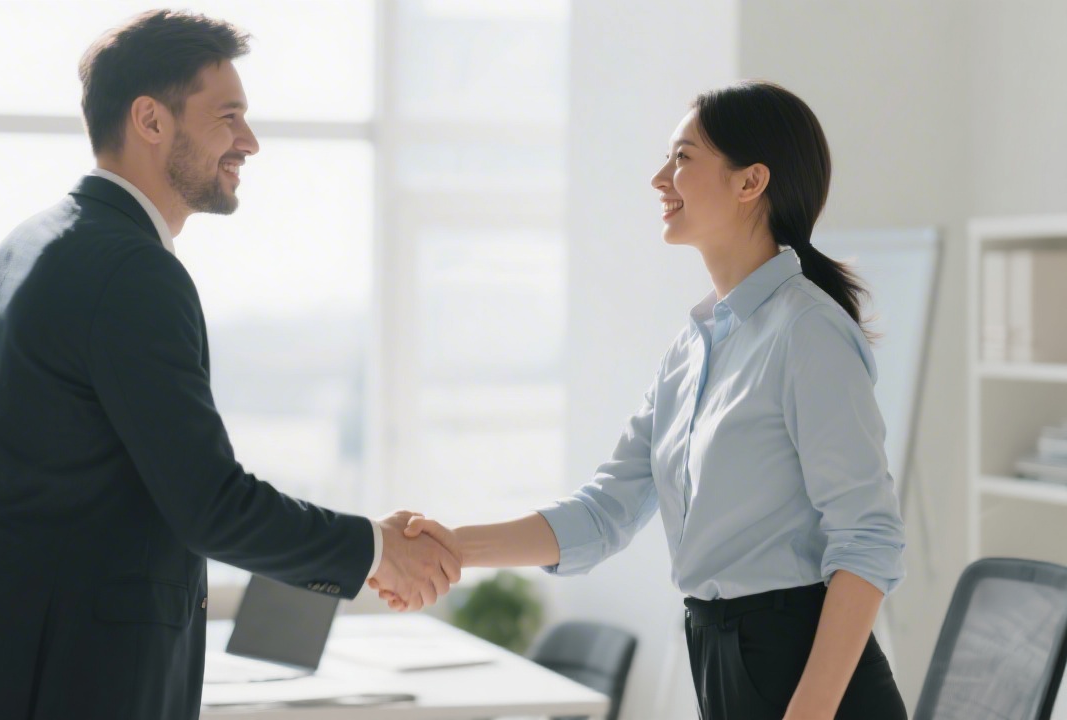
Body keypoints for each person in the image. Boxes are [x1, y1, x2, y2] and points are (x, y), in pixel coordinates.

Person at [0, 10, 458, 720]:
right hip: (69, 689)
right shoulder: (134, 272)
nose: (249, 142)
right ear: (150, 121)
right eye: (229, 117)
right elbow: (210, 507)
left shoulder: (12, 253)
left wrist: (7, 609)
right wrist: (376, 549)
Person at [379, 81, 909, 720]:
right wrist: (455, 547)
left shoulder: (808, 332)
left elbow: (868, 539)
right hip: (721, 656)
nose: (661, 178)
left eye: (683, 158)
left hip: (808, 675)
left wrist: (810, 711)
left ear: (751, 182)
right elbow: (604, 513)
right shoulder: (695, 346)